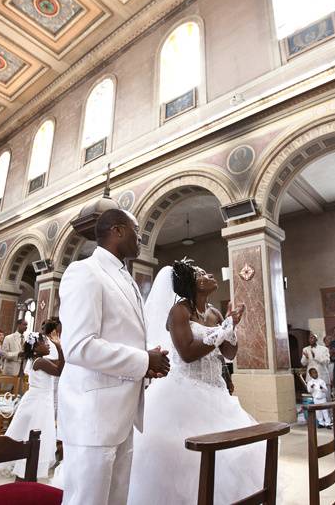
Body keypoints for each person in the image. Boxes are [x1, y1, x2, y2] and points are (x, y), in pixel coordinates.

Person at [57, 209, 170, 505]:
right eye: (137, 232)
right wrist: (143, 361)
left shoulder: (127, 279)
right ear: (118, 231)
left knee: (116, 500)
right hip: (92, 414)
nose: (141, 239)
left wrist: (148, 362)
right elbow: (79, 346)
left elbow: (122, 336)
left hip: (122, 412)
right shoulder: (85, 272)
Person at [128, 259, 260, 505]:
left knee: (230, 456)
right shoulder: (180, 311)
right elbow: (187, 353)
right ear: (192, 284)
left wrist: (230, 325)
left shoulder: (214, 312)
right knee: (188, 461)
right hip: (185, 392)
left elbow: (230, 353)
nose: (209, 274)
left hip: (216, 391)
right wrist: (224, 328)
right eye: (201, 273)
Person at [0, 329, 64, 479]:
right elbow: (60, 370)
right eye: (45, 343)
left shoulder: (39, 360)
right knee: (36, 435)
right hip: (39, 403)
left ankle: (26, 472)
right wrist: (59, 346)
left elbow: (59, 363)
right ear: (35, 348)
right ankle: (26, 471)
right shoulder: (40, 361)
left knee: (30, 435)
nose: (48, 346)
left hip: (38, 400)